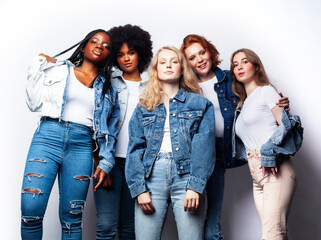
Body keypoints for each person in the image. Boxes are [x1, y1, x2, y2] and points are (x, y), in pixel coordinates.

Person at [180, 35, 290, 240]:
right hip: (195, 152)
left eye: (202, 53)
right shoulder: (186, 87)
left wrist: (281, 104)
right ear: (187, 64)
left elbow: (257, 98)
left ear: (209, 52)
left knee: (214, 223)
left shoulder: (229, 78)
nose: (200, 60)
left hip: (222, 151)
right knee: (191, 217)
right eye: (192, 58)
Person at [21, 29, 120, 240]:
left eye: (106, 46)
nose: (99, 46)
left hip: (82, 145)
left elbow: (110, 132)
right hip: (48, 137)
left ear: (109, 55)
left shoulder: (109, 90)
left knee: (73, 216)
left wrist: (105, 161)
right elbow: (33, 103)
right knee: (31, 210)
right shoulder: (58, 70)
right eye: (94, 41)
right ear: (84, 46)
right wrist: (38, 63)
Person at [125, 46, 215, 240]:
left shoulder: (200, 104)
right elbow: (135, 149)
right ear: (156, 70)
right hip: (151, 177)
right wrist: (139, 189)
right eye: (163, 62)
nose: (168, 65)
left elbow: (204, 146)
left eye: (174, 61)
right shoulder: (143, 107)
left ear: (182, 68)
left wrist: (195, 185)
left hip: (187, 176)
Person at [230, 48, 302, 240]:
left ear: (256, 66)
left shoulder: (266, 91)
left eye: (244, 61)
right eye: (235, 65)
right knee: (278, 233)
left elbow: (286, 126)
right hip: (256, 175)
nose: (239, 67)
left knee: (272, 234)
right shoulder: (243, 104)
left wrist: (269, 151)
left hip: (275, 168)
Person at [93, 24, 153, 239]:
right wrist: (101, 162)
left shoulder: (154, 87)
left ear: (141, 53)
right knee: (107, 227)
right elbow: (94, 123)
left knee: (130, 229)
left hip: (138, 165)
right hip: (109, 163)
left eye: (131, 52)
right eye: (120, 54)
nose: (126, 58)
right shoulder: (106, 83)